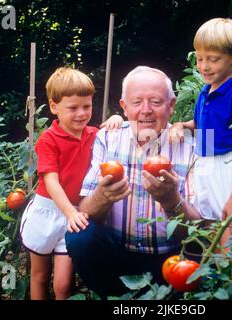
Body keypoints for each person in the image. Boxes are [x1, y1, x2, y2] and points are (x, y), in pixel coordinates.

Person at [65, 66, 202, 298]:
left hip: (170, 260)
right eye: (137, 102)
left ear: (171, 105)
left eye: (156, 102)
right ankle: (112, 295)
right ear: (124, 107)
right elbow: (85, 211)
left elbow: (199, 229)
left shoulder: (192, 146)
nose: (146, 111)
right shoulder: (107, 138)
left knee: (200, 256)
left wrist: (172, 202)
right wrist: (103, 196)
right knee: (80, 236)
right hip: (116, 256)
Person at [19, 67, 123, 300]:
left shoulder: (94, 135)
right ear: (54, 107)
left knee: (64, 285)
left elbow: (112, 133)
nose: (81, 113)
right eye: (73, 108)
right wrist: (69, 213)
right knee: (40, 277)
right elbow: (51, 181)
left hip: (74, 213)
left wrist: (116, 118)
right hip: (47, 212)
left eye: (86, 106)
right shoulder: (48, 140)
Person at [170, 18, 232, 248]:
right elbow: (205, 123)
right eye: (200, 59)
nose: (204, 66)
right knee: (214, 245)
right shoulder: (206, 90)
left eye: (213, 59)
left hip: (230, 174)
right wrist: (182, 124)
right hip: (206, 170)